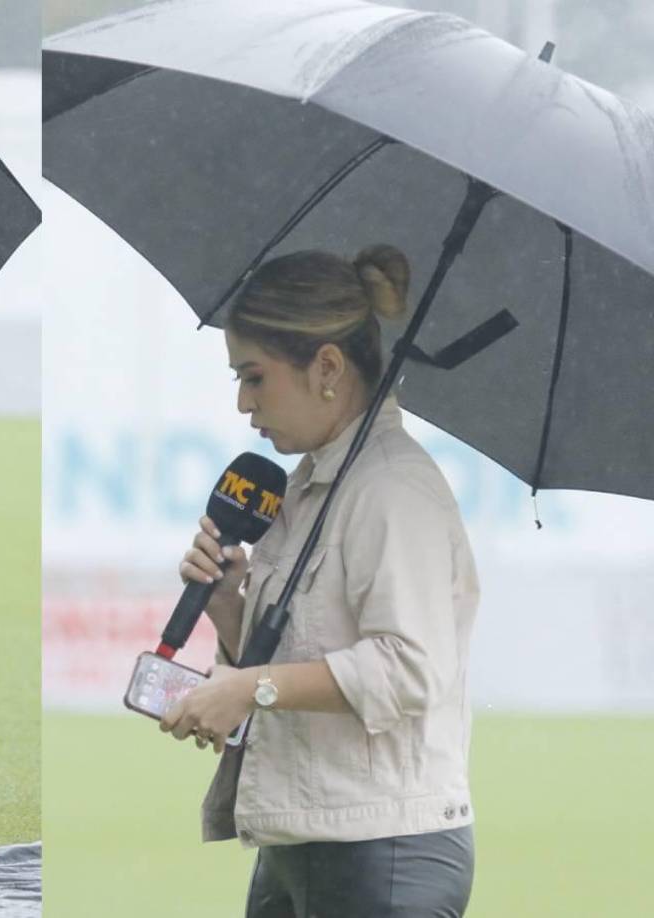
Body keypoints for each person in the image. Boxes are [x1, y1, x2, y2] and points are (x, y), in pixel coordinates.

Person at [160, 246, 478, 917]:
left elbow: (412, 667)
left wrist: (249, 685)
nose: (244, 404)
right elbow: (307, 651)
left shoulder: (392, 488)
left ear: (327, 368)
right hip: (305, 838)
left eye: (254, 377)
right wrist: (227, 610)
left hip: (385, 853)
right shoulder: (310, 485)